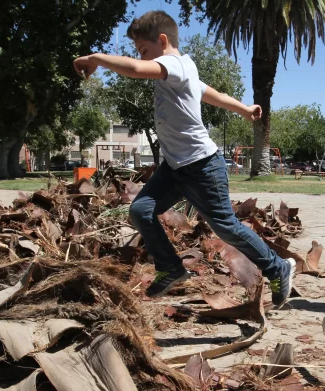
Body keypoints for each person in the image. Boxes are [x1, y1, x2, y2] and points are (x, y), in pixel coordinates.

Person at [73, 10, 295, 304]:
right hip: (175, 168)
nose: (143, 58)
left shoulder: (174, 64)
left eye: (144, 51)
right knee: (140, 211)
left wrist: (96, 58)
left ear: (162, 41)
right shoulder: (184, 70)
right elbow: (210, 93)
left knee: (226, 226)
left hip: (203, 166)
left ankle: (277, 266)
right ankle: (170, 267)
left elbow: (137, 70)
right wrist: (243, 109)